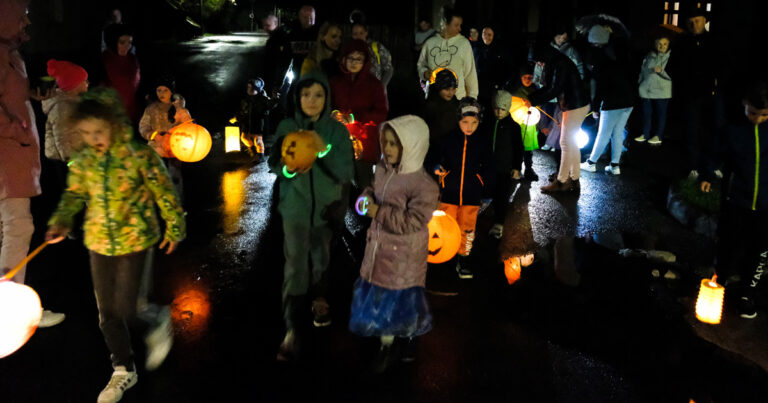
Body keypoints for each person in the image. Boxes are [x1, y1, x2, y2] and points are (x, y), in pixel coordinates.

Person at [46, 88, 185, 402]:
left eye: (98, 132)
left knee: (131, 308)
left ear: (114, 124)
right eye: (85, 133)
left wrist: (174, 226)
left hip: (136, 239)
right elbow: (74, 194)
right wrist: (62, 219)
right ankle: (123, 368)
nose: (92, 139)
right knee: (107, 313)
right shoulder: (84, 160)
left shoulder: (139, 155)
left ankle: (157, 318)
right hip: (98, 242)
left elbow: (164, 192)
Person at [268, 72, 354, 360]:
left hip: (326, 210)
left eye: (318, 95)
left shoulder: (337, 132)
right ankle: (292, 326)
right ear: (297, 98)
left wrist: (323, 150)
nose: (312, 101)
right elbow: (275, 162)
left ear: (326, 98)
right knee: (294, 264)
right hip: (294, 207)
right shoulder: (287, 126)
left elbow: (345, 172)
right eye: (306, 95)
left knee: (321, 258)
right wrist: (289, 169)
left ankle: (319, 299)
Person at [349, 115, 438, 373]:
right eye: (385, 143)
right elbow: (372, 191)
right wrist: (364, 200)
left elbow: (413, 222)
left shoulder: (423, 185)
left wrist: (377, 212)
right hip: (379, 249)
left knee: (401, 300)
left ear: (412, 146)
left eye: (394, 144)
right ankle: (392, 339)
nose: (387, 149)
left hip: (403, 256)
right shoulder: (383, 169)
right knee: (384, 298)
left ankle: (397, 342)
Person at [1, 0, 65, 328]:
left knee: (12, 227)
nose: (26, 20)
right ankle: (10, 309)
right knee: (17, 226)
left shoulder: (11, 53)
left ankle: (12, 302)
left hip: (14, 153)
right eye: (21, 14)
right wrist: (18, 129)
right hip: (6, 154)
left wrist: (31, 92)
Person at [700, 79, 768, 319]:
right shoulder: (733, 130)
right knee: (728, 242)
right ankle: (720, 279)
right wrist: (707, 174)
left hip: (765, 207)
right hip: (736, 200)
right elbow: (715, 152)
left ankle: (748, 292)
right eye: (753, 113)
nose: (757, 119)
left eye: (763, 115)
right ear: (744, 105)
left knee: (759, 249)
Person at [433, 97, 494, 279]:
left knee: (467, 229)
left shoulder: (482, 142)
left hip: (472, 195)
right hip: (449, 193)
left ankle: (464, 259)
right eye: (465, 122)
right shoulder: (448, 139)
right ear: (458, 119)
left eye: (474, 122)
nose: (469, 126)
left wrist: (488, 192)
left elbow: (490, 167)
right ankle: (445, 256)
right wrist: (436, 166)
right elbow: (434, 156)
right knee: (446, 228)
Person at [667, 5, 725, 179]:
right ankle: (693, 166)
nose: (694, 25)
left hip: (713, 93)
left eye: (697, 21)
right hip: (690, 94)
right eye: (690, 22)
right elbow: (672, 67)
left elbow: (724, 65)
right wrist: (683, 83)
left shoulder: (715, 41)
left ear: (705, 21)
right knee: (691, 130)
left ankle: (712, 164)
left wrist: (717, 83)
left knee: (715, 129)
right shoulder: (681, 43)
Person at [526, 43, 589, 193]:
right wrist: (533, 98)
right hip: (575, 103)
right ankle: (574, 179)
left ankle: (561, 182)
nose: (538, 64)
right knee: (571, 143)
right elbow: (552, 87)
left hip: (574, 104)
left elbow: (554, 89)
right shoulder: (557, 61)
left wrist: (532, 100)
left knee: (566, 143)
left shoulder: (558, 64)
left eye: (538, 60)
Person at [330, 39, 388, 188]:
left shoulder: (374, 85)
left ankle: (365, 210)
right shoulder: (335, 82)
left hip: (364, 142)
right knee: (340, 186)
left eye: (359, 59)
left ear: (365, 61)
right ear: (343, 59)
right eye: (351, 58)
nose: (354, 62)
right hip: (339, 142)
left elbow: (381, 112)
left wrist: (355, 117)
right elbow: (328, 104)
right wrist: (334, 113)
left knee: (364, 184)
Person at [580, 25, 635, 176]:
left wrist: (595, 107)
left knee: (603, 133)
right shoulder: (620, 53)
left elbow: (600, 86)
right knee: (617, 133)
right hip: (628, 100)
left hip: (613, 101)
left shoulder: (599, 58)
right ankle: (615, 165)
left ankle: (591, 163)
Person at [42, 59, 89, 190]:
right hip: (64, 160)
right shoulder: (62, 107)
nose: (87, 84)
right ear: (73, 85)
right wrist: (70, 160)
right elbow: (61, 136)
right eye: (84, 81)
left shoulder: (74, 103)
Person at [417, 7, 478, 100]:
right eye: (456, 25)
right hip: (433, 99)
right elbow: (421, 64)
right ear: (445, 23)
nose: (460, 29)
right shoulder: (430, 43)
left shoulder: (463, 44)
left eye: (460, 25)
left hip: (457, 99)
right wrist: (424, 73)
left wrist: (473, 98)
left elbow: (470, 73)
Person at [488, 90, 523, 239]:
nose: (499, 112)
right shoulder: (488, 122)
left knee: (501, 196)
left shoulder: (513, 127)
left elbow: (518, 148)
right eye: (496, 108)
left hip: (505, 169)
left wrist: (516, 167)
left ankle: (499, 223)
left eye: (502, 109)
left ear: (508, 108)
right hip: (489, 166)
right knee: (488, 192)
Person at [635, 36, 672, 146]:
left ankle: (658, 135)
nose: (662, 46)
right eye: (659, 43)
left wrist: (661, 72)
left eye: (665, 44)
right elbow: (643, 70)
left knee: (660, 114)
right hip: (646, 90)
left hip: (662, 91)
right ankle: (645, 133)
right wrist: (640, 83)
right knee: (647, 114)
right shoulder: (649, 56)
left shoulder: (670, 57)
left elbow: (673, 75)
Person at [506, 64, 540, 179]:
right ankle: (516, 168)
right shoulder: (514, 91)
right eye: (524, 77)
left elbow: (539, 107)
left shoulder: (536, 90)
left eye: (530, 77)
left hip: (529, 123)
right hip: (516, 123)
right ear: (520, 78)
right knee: (516, 146)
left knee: (528, 148)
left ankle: (528, 168)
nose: (527, 80)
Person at [102, 23, 140, 122]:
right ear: (112, 41)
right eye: (122, 42)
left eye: (130, 42)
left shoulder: (132, 60)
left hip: (131, 113)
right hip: (109, 115)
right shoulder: (103, 60)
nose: (127, 46)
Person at [236, 77, 278, 160]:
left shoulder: (263, 99)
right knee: (244, 138)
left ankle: (260, 155)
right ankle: (252, 149)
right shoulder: (246, 100)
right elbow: (242, 111)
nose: (249, 89)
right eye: (248, 87)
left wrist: (275, 98)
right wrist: (237, 117)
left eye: (252, 88)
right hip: (247, 124)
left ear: (257, 89)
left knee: (258, 141)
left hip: (258, 124)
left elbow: (271, 104)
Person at [421, 68, 460, 153]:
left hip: (451, 147)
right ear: (439, 87)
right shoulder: (430, 105)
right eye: (446, 89)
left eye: (453, 89)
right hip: (433, 146)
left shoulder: (457, 104)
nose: (450, 92)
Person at [473, 26, 512, 107]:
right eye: (484, 34)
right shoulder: (477, 49)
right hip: (477, 88)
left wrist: (499, 85)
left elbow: (506, 69)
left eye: (489, 34)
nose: (486, 37)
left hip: (492, 90)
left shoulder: (500, 51)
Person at [351, 22, 394, 87]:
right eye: (355, 34)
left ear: (366, 33)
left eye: (361, 33)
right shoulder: (349, 50)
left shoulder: (377, 48)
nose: (358, 36)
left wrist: (381, 88)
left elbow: (389, 70)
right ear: (352, 35)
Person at [286, 5, 319, 83]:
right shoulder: (292, 35)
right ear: (300, 18)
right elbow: (286, 57)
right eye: (305, 17)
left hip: (316, 75)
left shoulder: (321, 34)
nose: (308, 20)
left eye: (311, 17)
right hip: (297, 75)